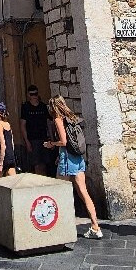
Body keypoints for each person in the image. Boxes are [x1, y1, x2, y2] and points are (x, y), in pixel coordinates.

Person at [44, 95, 103, 239]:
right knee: (83, 193)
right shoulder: (72, 117)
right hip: (77, 157)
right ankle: (95, 226)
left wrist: (51, 144)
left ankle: (60, 225)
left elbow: (64, 142)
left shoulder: (58, 119)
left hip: (67, 158)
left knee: (59, 190)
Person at [19, 85, 52, 175]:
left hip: (44, 137)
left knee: (45, 163)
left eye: (35, 94)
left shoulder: (43, 106)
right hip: (33, 139)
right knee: (36, 164)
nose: (34, 96)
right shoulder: (25, 107)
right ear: (28, 95)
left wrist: (51, 138)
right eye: (32, 94)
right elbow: (22, 125)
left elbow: (48, 122)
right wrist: (27, 142)